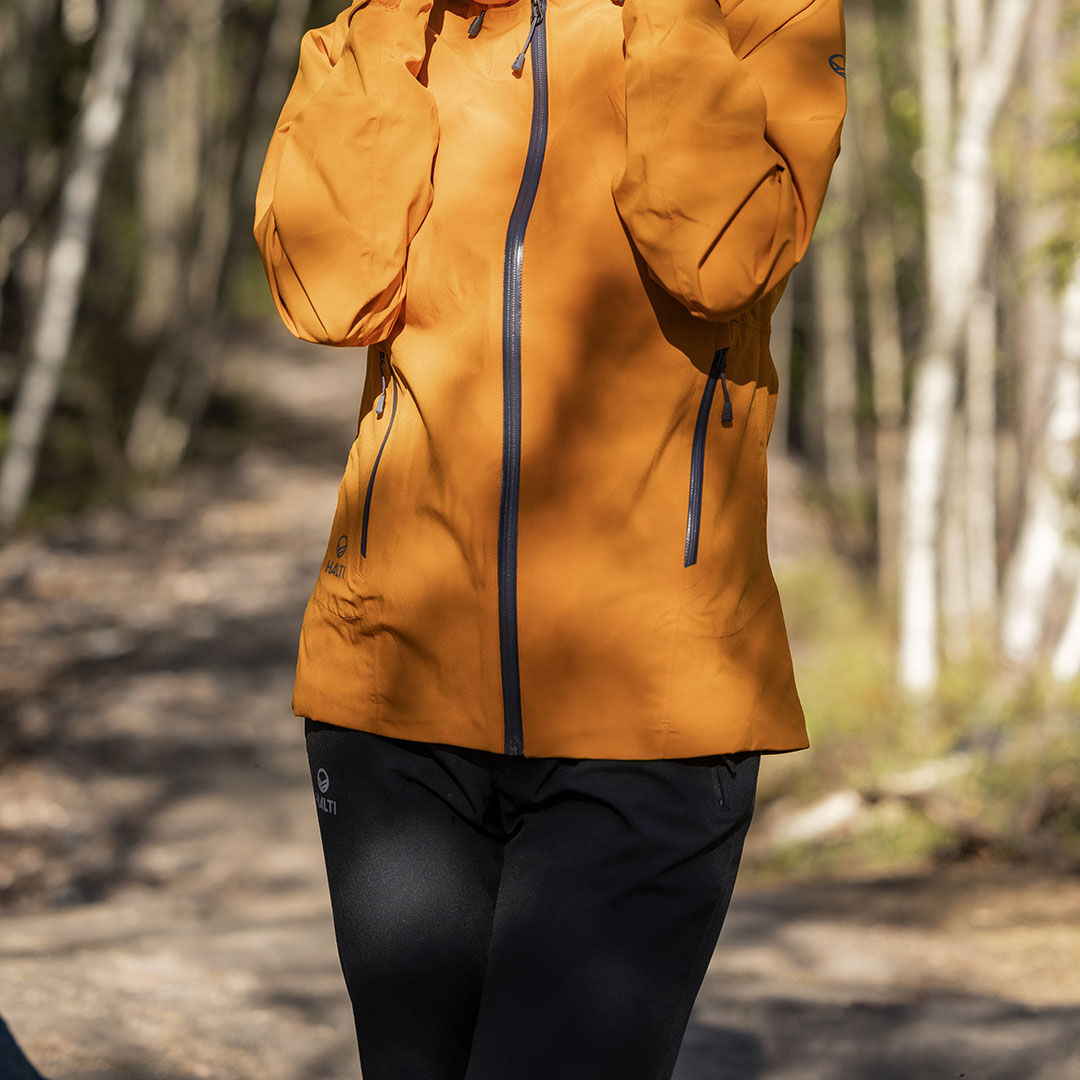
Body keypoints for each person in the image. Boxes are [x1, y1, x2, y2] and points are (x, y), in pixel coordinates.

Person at [253, 0, 845, 1076]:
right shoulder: (385, 31)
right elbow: (326, 294)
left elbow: (721, 259)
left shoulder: (761, 18)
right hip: (394, 695)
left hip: (655, 713)